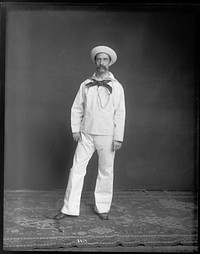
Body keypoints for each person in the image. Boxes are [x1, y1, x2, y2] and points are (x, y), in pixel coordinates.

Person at [54, 45, 126, 220]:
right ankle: (69, 208)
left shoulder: (117, 87)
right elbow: (77, 108)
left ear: (110, 63)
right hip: (86, 134)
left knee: (106, 170)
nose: (101, 62)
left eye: (105, 59)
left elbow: (120, 112)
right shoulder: (85, 84)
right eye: (99, 59)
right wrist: (75, 129)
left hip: (108, 135)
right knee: (77, 169)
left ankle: (102, 207)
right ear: (95, 61)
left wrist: (118, 138)